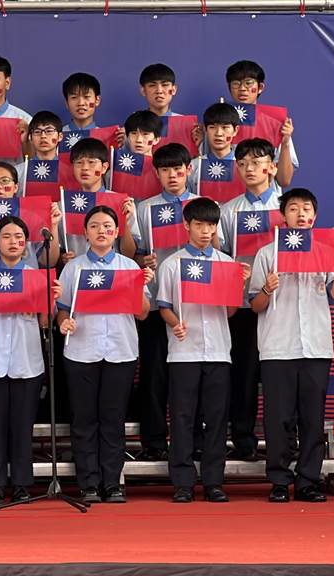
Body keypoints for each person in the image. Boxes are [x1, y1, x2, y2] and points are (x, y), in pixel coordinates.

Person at [250, 188, 334, 503]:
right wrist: (266, 288)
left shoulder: (326, 252)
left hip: (315, 346)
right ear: (283, 215)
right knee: (278, 419)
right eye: (293, 208)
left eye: (306, 209)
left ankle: (308, 481)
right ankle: (279, 480)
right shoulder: (268, 254)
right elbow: (255, 305)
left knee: (312, 419)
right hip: (278, 346)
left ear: (314, 216)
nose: (300, 214)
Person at [57, 205, 152, 503]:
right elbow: (62, 309)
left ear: (116, 232)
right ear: (85, 233)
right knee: (84, 419)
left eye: (107, 226)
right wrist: (63, 322)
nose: (101, 231)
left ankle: (112, 483)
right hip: (81, 350)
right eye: (95, 226)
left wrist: (140, 286)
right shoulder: (73, 268)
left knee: (113, 419)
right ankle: (88, 482)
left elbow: (143, 313)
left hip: (120, 351)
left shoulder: (129, 267)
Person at [0, 215, 61, 504]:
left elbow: (44, 322)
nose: (13, 242)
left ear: (26, 243)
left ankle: (21, 483)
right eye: (6, 236)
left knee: (22, 425)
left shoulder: (37, 277)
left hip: (27, 359)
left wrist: (51, 301)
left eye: (19, 237)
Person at [156, 197, 245, 503]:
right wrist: (175, 323)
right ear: (186, 225)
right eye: (199, 225)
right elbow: (164, 306)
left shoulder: (227, 264)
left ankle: (213, 481)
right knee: (182, 417)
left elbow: (230, 312)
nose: (206, 231)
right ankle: (182, 482)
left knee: (217, 418)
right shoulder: (173, 264)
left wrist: (238, 286)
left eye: (211, 225)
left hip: (218, 350)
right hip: (183, 351)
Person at [133, 143, 203, 462]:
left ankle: (194, 440)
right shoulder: (145, 210)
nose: (172, 175)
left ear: (189, 170)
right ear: (156, 173)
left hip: (195, 306)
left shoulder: (203, 206)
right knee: (154, 375)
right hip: (155, 304)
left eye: (178, 169)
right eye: (165, 170)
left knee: (192, 377)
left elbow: (217, 252)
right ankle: (154, 441)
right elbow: (131, 254)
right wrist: (141, 259)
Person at [215, 137, 280, 461]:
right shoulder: (228, 211)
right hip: (242, 305)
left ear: (272, 166)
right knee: (243, 375)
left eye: (256, 162)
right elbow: (221, 257)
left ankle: (285, 443)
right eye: (242, 164)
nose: (249, 169)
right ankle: (244, 442)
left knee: (280, 378)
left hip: (281, 306)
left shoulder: (288, 207)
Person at [60, 138, 139, 260]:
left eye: (91, 162)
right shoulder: (64, 204)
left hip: (112, 268)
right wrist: (63, 258)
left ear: (104, 167)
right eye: (79, 163)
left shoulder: (122, 202)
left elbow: (129, 254)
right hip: (76, 268)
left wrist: (124, 222)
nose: (85, 168)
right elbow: (56, 251)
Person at [225, 60, 296, 188]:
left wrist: (285, 142)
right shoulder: (218, 123)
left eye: (248, 83)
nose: (242, 89)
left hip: (264, 197)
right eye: (236, 83)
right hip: (227, 197)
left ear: (260, 87)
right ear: (229, 87)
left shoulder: (276, 123)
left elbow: (284, 180)